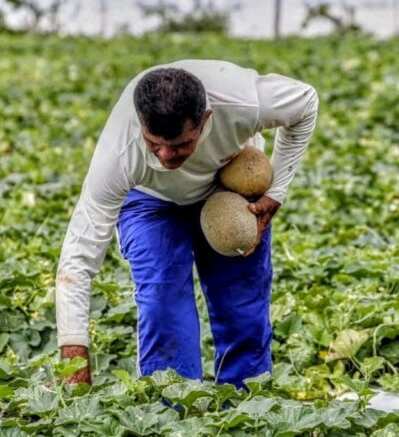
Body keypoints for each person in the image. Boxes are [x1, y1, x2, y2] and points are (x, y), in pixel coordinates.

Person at [56, 59, 318, 386]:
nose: (166, 156)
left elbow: (306, 102)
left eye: (180, 145)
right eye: (154, 144)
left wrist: (276, 192)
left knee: (242, 311)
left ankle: (248, 410)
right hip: (149, 198)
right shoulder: (119, 154)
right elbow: (79, 257)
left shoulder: (243, 102)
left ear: (206, 120)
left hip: (228, 189)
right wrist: (73, 353)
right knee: (163, 305)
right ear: (140, 124)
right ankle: (172, 413)